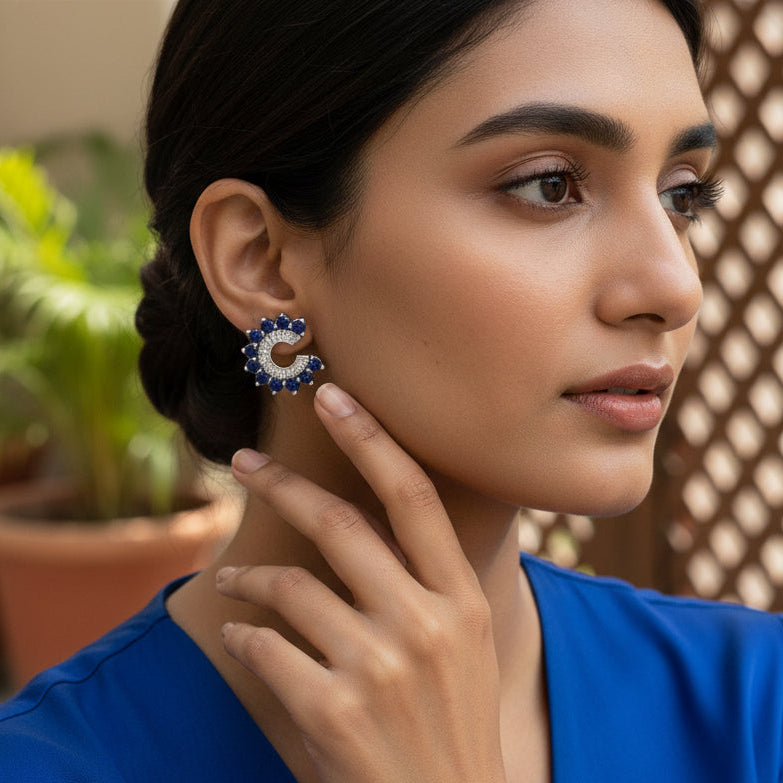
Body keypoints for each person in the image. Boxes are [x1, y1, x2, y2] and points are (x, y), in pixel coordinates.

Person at [1, 0, 781, 780]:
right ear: (261, 259)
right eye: (549, 186)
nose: (674, 286)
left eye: (683, 195)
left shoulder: (755, 703)